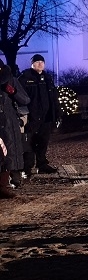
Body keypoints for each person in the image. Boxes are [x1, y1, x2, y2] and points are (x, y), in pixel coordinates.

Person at [18, 54, 61, 176]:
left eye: (42, 62)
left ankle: (42, 164)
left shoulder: (47, 78)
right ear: (32, 64)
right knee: (28, 143)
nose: (40, 64)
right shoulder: (25, 78)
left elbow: (53, 97)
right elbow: (20, 97)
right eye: (37, 62)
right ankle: (26, 168)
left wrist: (57, 112)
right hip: (31, 117)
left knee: (43, 141)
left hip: (46, 117)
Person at [1, 60, 30, 196]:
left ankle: (15, 177)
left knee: (13, 149)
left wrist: (14, 92)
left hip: (10, 121)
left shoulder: (11, 80)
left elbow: (25, 100)